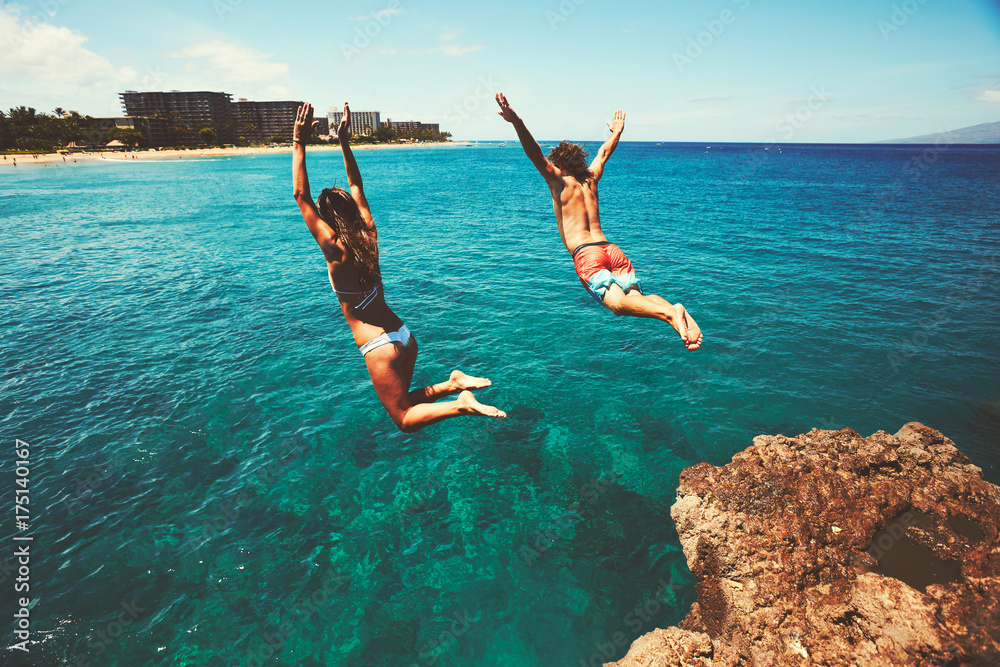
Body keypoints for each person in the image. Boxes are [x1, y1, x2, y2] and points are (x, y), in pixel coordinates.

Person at [292, 102, 506, 432]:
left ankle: (460, 404)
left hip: (379, 347)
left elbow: (300, 195)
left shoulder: (334, 248)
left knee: (404, 420)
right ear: (351, 211)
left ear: (327, 221)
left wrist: (298, 141)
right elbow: (357, 186)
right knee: (406, 399)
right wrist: (343, 140)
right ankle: (453, 384)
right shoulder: (368, 234)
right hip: (404, 336)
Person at [495, 93, 703, 351]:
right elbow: (604, 152)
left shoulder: (559, 181)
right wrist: (617, 131)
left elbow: (534, 153)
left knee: (617, 305)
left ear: (559, 163)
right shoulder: (591, 179)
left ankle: (673, 313)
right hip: (612, 249)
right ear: (580, 161)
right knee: (635, 298)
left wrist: (517, 121)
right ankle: (672, 312)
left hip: (587, 253)